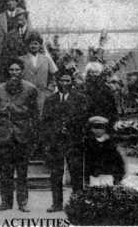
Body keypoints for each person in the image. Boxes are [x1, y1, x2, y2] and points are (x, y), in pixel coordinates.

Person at [0, 58, 38, 212]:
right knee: (5, 171)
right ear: (7, 71)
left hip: (22, 135)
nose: (14, 73)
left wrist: (32, 136)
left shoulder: (30, 89)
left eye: (17, 70)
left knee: (22, 172)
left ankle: (23, 202)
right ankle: (6, 202)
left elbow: (34, 114)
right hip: (4, 136)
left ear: (22, 71)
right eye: (11, 70)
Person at [41, 69, 89, 212]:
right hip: (56, 142)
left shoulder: (80, 98)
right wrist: (50, 138)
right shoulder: (50, 100)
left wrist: (71, 127)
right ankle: (56, 204)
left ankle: (77, 204)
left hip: (74, 141)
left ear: (72, 82)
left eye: (67, 80)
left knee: (76, 173)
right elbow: (45, 122)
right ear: (58, 82)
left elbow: (84, 119)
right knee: (56, 173)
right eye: (62, 80)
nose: (64, 83)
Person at [19, 35, 57, 115]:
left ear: (40, 45)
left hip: (42, 94)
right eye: (31, 44)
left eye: (36, 44)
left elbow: (53, 77)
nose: (33, 46)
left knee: (40, 115)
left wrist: (49, 90)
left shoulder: (46, 59)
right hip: (25, 94)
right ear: (27, 46)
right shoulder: (21, 59)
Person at [84, 116, 125, 185]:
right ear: (91, 129)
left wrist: (118, 176)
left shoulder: (110, 144)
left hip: (108, 176)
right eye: (95, 128)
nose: (98, 131)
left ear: (105, 129)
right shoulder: (87, 143)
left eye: (101, 128)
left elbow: (118, 161)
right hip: (92, 176)